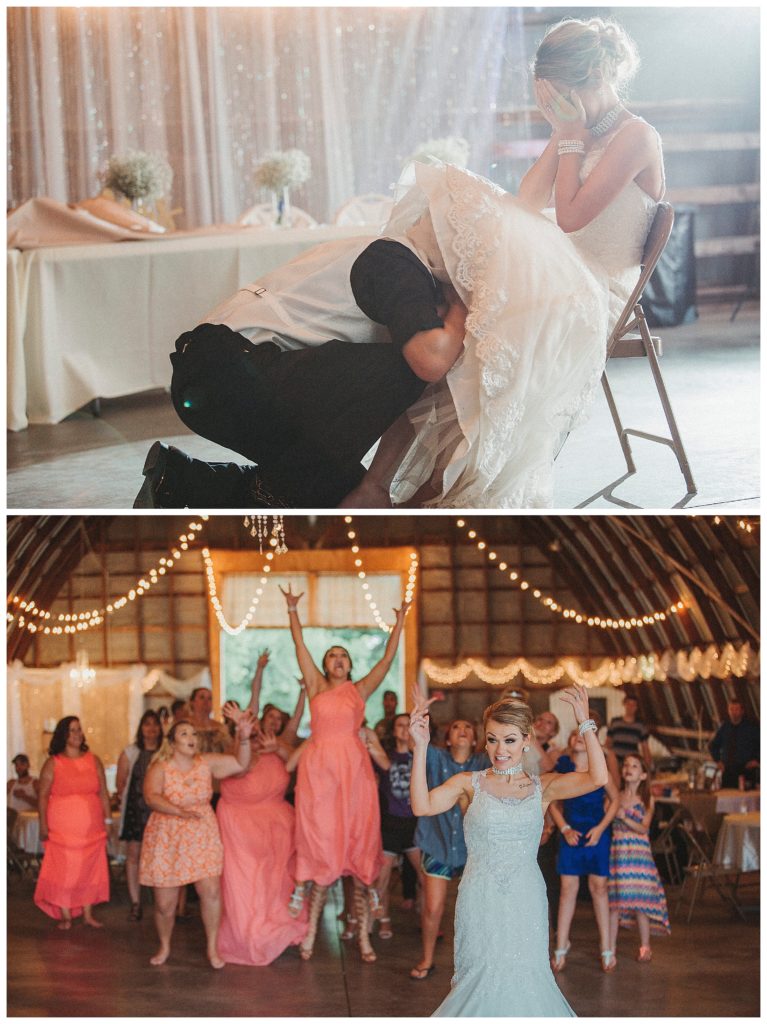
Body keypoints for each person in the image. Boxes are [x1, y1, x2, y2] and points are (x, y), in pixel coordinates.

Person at [356, 15, 664, 508]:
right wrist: (566, 134)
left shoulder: (634, 136)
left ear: (593, 80)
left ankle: (438, 486)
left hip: (596, 286)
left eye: (560, 93)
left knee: (483, 325)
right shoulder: (581, 127)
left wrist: (569, 137)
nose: (554, 104)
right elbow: (529, 198)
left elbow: (568, 216)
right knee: (459, 280)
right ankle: (377, 482)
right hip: (558, 270)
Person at [133, 234, 468, 509]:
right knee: (406, 368)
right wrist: (462, 306)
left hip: (225, 375)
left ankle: (177, 478)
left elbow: (412, 395)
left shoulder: (393, 256)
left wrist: (372, 485)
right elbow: (428, 364)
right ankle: (197, 482)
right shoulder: (396, 260)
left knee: (339, 495)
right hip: (224, 373)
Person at [409, 686, 608, 1016]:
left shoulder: (542, 786)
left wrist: (585, 723)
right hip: (480, 896)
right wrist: (421, 748)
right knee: (481, 978)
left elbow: (598, 778)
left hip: (525, 897)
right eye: (492, 739)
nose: (500, 749)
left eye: (510, 740)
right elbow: (422, 805)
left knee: (526, 978)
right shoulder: (468, 783)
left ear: (527, 739)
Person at [279, 583, 408, 964]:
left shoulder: (360, 690)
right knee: (321, 845)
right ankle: (310, 932)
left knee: (357, 847)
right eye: (331, 655)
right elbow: (299, 647)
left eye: (342, 656)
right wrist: (292, 611)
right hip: (320, 772)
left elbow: (386, 661)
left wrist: (399, 624)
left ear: (350, 665)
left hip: (354, 771)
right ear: (325, 665)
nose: (337, 659)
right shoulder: (317, 687)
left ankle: (364, 940)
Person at [138, 713, 256, 968]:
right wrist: (178, 811)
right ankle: (165, 945)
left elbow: (240, 764)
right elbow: (151, 797)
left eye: (193, 734)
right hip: (167, 835)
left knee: (210, 891)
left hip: (201, 833)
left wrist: (244, 738)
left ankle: (213, 949)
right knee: (164, 904)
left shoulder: (206, 763)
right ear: (171, 743)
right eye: (184, 734)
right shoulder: (160, 767)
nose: (192, 738)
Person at [215, 700, 309, 965]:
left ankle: (279, 928)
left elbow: (296, 761)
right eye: (271, 716)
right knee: (245, 880)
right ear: (258, 718)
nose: (275, 722)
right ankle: (248, 934)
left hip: (278, 825)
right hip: (240, 825)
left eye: (280, 718)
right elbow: (239, 767)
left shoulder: (284, 742)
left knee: (277, 881)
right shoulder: (239, 743)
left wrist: (302, 693)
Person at [410, 716, 490, 981]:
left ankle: (477, 964)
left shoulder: (483, 763)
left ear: (477, 739)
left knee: (477, 909)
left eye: (468, 726)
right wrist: (418, 720)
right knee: (433, 908)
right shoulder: (435, 757)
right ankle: (427, 957)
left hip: (473, 849)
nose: (463, 730)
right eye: (455, 727)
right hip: (438, 843)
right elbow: (416, 745)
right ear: (447, 738)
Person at [548, 728, 620, 973]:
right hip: (571, 834)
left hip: (596, 833)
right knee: (568, 889)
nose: (579, 736)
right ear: (569, 742)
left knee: (599, 888)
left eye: (584, 734)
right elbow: (552, 803)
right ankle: (561, 945)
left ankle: (606, 945)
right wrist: (564, 828)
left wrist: (601, 828)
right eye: (574, 734)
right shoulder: (563, 770)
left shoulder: (600, 770)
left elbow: (615, 800)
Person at [33, 717, 111, 929]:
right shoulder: (53, 762)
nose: (77, 734)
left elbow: (103, 792)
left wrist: (108, 819)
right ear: (63, 735)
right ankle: (65, 913)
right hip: (62, 826)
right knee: (65, 870)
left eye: (79, 730)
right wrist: (43, 824)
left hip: (92, 826)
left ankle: (87, 913)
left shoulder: (93, 760)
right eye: (71, 731)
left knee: (89, 868)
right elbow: (42, 795)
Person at [608, 754, 670, 964]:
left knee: (641, 903)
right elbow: (606, 817)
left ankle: (645, 946)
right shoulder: (615, 796)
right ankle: (610, 949)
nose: (628, 768)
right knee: (615, 904)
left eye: (634, 766)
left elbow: (644, 827)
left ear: (643, 774)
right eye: (626, 764)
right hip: (618, 852)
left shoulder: (646, 799)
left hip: (639, 855)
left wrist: (624, 817)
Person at [373, 712, 420, 940]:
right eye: (400, 725)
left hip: (415, 824)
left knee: (425, 875)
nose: (404, 729)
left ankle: (427, 916)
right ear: (394, 731)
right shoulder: (386, 758)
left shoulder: (421, 757)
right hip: (391, 824)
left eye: (407, 725)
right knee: (382, 878)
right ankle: (384, 920)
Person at [115, 709, 164, 921]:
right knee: (133, 856)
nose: (151, 729)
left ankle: (161, 901)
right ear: (141, 728)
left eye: (155, 724)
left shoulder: (166, 752)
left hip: (159, 811)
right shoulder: (130, 752)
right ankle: (136, 902)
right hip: (135, 809)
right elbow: (121, 783)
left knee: (159, 856)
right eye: (147, 724)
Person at [709, 699, 760, 789]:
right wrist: (718, 761)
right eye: (731, 709)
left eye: (736, 709)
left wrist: (757, 760)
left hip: (746, 770)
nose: (734, 712)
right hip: (728, 770)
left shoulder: (751, 728)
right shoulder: (725, 727)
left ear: (742, 711)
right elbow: (713, 746)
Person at [606, 693, 652, 766]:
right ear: (624, 704)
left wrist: (648, 766)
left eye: (633, 705)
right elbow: (608, 743)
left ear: (636, 707)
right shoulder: (615, 722)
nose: (630, 707)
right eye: (628, 704)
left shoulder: (640, 726)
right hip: (615, 762)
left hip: (631, 763)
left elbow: (645, 748)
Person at [187, 687, 230, 754]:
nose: (206, 701)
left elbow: (228, 749)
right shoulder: (184, 725)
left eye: (210, 698)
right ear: (192, 702)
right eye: (202, 697)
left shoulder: (221, 727)